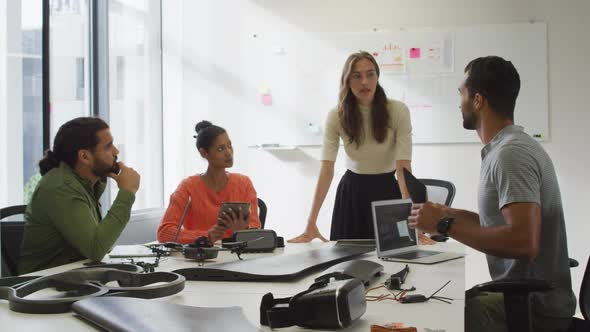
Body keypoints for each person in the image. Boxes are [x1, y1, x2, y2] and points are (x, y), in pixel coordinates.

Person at [409, 56, 576, 332]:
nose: (458, 102)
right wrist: (448, 215)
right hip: (524, 299)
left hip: (535, 310)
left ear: (478, 100)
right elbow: (501, 227)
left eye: (461, 93)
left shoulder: (511, 155)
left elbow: (524, 242)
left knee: (435, 317)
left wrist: (444, 225)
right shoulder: (507, 148)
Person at [289, 51, 415, 243]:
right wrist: (311, 223)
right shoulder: (336, 115)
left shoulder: (398, 111)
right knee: (345, 264)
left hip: (388, 192)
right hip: (352, 194)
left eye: (370, 74)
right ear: (347, 81)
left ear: (377, 77)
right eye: (357, 76)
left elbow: (403, 169)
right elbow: (327, 169)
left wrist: (413, 222)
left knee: (393, 261)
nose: (365, 81)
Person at [19, 117, 140, 274]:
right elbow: (96, 249)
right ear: (84, 156)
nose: (116, 152)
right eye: (108, 146)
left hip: (72, 277)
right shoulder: (60, 188)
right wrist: (127, 193)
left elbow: (103, 245)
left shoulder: (85, 184)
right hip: (43, 288)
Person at [157, 121, 260, 244]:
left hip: (237, 257)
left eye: (229, 146)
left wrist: (243, 230)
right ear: (204, 153)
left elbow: (256, 231)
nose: (229, 153)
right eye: (221, 149)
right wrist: (207, 236)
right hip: (202, 258)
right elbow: (164, 232)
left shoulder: (244, 183)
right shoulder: (188, 187)